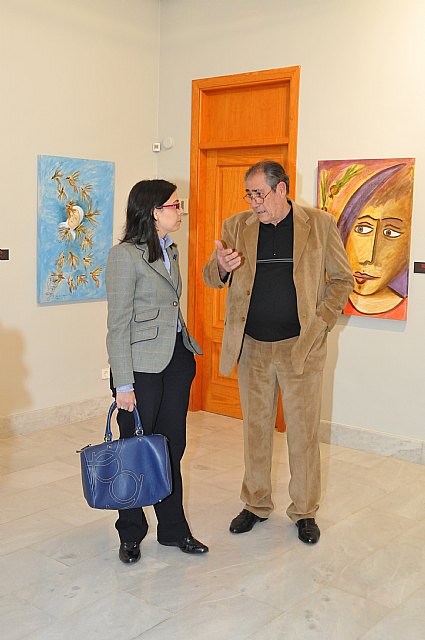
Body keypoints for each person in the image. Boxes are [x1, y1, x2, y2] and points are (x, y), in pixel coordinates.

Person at [203, 160, 353, 544]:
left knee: (302, 435)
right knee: (255, 431)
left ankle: (304, 511)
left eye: (260, 194)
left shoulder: (319, 224)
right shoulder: (236, 226)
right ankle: (255, 504)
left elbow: (342, 280)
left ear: (282, 189)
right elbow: (211, 278)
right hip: (252, 347)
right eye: (249, 194)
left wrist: (321, 322)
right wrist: (220, 267)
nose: (254, 202)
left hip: (300, 348)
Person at [106, 179, 208, 563]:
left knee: (171, 447)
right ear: (153, 212)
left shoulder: (170, 250)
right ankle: (130, 532)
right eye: (174, 205)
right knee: (133, 452)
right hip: (140, 368)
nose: (180, 211)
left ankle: (173, 529)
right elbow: (118, 325)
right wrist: (123, 383)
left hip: (176, 362)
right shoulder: (124, 257)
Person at [336, 162, 414, 319]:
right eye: (362, 229)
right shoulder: (329, 303)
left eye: (390, 232)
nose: (368, 258)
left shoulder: (415, 312)